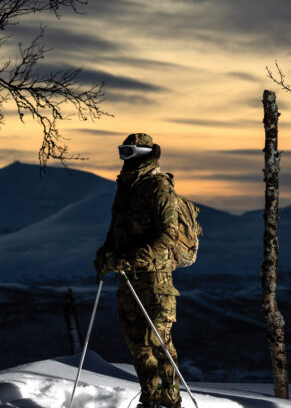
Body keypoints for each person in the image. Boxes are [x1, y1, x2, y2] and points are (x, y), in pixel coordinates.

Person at [95, 133, 182, 408]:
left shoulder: (159, 186)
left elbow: (167, 235)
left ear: (143, 153)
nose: (125, 157)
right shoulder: (125, 187)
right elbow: (116, 230)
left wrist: (131, 259)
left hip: (155, 277)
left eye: (129, 151)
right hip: (128, 277)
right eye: (122, 151)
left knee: (159, 340)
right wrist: (105, 254)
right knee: (137, 342)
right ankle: (150, 397)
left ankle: (170, 399)